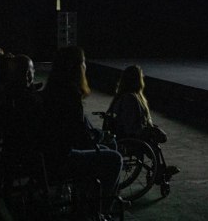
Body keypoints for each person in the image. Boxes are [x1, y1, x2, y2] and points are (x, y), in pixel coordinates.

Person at [42, 46, 122, 216]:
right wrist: (99, 136)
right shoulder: (70, 95)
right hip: (61, 159)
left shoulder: (53, 90)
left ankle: (90, 199)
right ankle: (99, 210)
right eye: (83, 62)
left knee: (106, 147)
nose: (85, 66)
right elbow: (80, 137)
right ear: (76, 67)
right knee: (115, 159)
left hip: (49, 155)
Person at [108, 65, 179, 179]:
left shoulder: (124, 96)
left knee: (156, 135)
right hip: (130, 136)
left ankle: (159, 169)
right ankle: (158, 171)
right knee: (155, 139)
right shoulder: (131, 98)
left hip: (126, 133)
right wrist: (148, 130)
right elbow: (131, 126)